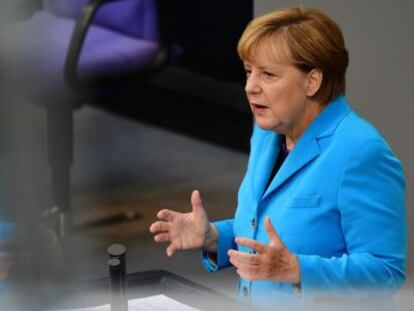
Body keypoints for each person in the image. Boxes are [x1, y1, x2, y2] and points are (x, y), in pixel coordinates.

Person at [149, 7, 406, 310]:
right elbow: (268, 231)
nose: (250, 86)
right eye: (248, 72)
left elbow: (386, 272)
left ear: (312, 81)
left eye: (267, 74)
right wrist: (214, 237)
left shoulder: (360, 151)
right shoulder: (268, 133)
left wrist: (298, 271)